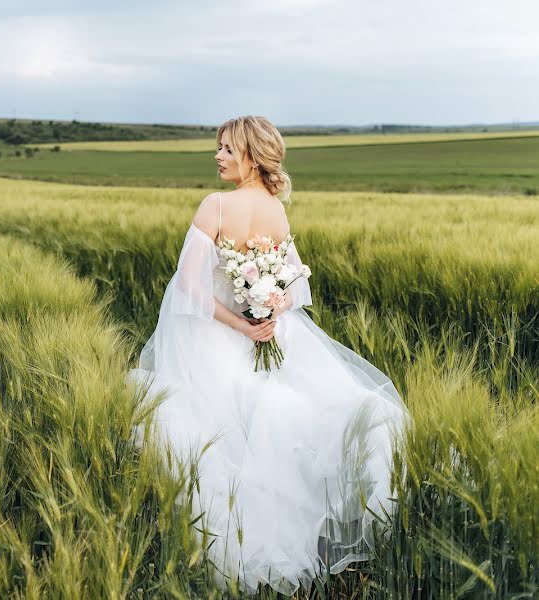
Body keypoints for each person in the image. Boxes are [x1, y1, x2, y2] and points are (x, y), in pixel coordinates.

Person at [125, 116, 412, 596]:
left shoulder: (215, 205)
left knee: (221, 430)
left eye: (226, 148)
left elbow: (190, 292)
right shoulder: (276, 211)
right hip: (276, 335)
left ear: (252, 155)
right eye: (216, 147)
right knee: (288, 420)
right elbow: (297, 286)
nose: (216, 156)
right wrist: (270, 313)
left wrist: (243, 324)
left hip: (220, 338)